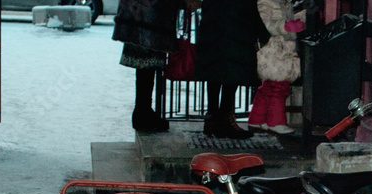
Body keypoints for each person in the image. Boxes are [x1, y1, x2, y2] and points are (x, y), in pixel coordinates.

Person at [113, 0, 199, 133]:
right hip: (149, 17)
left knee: (145, 64)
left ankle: (143, 110)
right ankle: (142, 111)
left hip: (141, 14)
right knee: (147, 61)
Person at [196, 0, 268, 139]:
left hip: (215, 25)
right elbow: (249, 8)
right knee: (232, 72)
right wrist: (262, 33)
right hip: (235, 27)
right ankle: (225, 118)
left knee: (215, 70)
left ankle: (212, 118)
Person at [248, 0, 305, 135]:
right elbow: (264, 24)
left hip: (280, 51)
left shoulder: (283, 3)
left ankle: (257, 119)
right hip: (274, 51)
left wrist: (301, 18)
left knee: (268, 87)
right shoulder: (266, 3)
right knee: (279, 87)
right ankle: (276, 122)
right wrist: (285, 27)